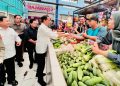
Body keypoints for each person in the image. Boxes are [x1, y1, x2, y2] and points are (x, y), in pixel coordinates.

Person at [36, 15, 67, 86]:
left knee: (41, 63)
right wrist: (65, 35)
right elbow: (53, 35)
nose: (50, 21)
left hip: (42, 47)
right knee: (41, 64)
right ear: (44, 20)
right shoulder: (42, 28)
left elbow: (53, 33)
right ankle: (40, 79)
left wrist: (63, 33)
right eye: (49, 20)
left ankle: (38, 74)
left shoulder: (45, 27)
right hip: (40, 48)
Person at [0, 16, 21, 86]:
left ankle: (11, 80)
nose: (9, 22)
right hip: (1, 55)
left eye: (9, 21)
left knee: (11, 69)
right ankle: (2, 80)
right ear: (0, 22)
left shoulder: (11, 30)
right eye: (7, 21)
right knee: (1, 69)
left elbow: (17, 37)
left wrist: (18, 41)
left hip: (10, 53)